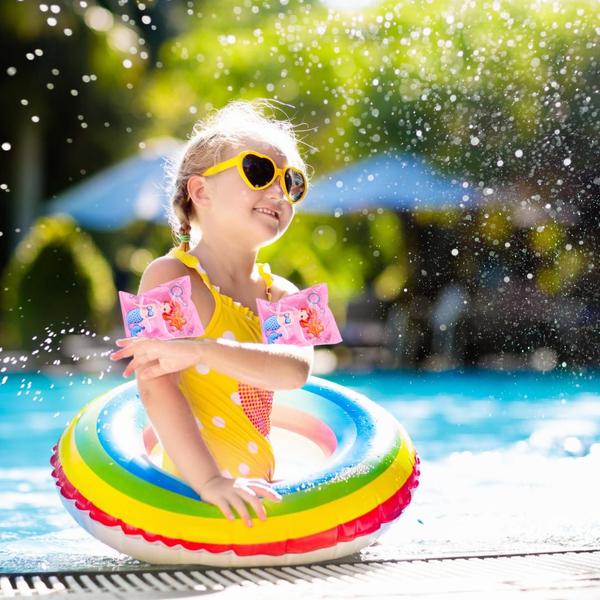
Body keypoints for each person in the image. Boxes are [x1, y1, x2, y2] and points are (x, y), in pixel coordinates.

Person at [109, 99, 314, 528]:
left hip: (254, 492)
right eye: (258, 171)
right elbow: (155, 387)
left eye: (292, 182)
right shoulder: (170, 277)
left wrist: (203, 350)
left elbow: (294, 372)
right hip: (188, 493)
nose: (279, 191)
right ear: (201, 192)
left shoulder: (286, 295)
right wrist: (210, 482)